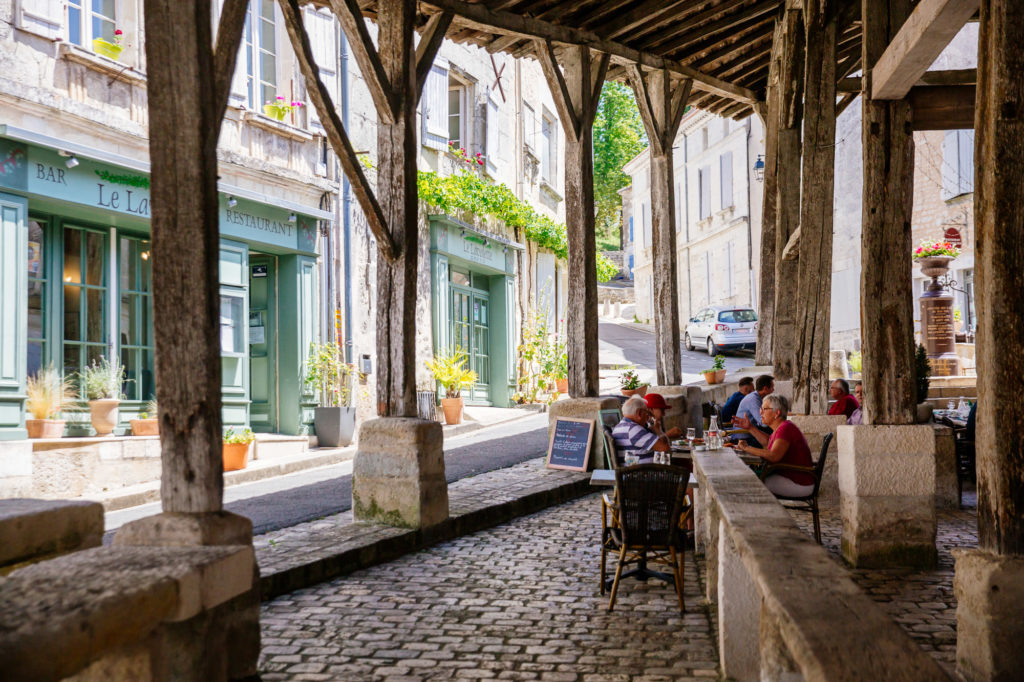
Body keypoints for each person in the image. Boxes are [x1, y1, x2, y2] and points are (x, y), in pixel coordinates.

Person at [735, 394, 815, 497]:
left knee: (749, 483)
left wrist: (746, 448)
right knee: (747, 479)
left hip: (799, 483)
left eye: (765, 409)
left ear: (777, 413)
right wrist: (750, 428)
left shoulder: (785, 428)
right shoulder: (782, 427)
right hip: (790, 478)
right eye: (761, 408)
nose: (760, 412)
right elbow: (768, 442)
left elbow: (773, 456)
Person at [612, 396, 670, 462]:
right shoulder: (633, 429)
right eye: (646, 413)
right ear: (639, 413)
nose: (648, 417)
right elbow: (665, 448)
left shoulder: (618, 427)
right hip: (643, 471)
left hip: (632, 468)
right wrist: (657, 430)